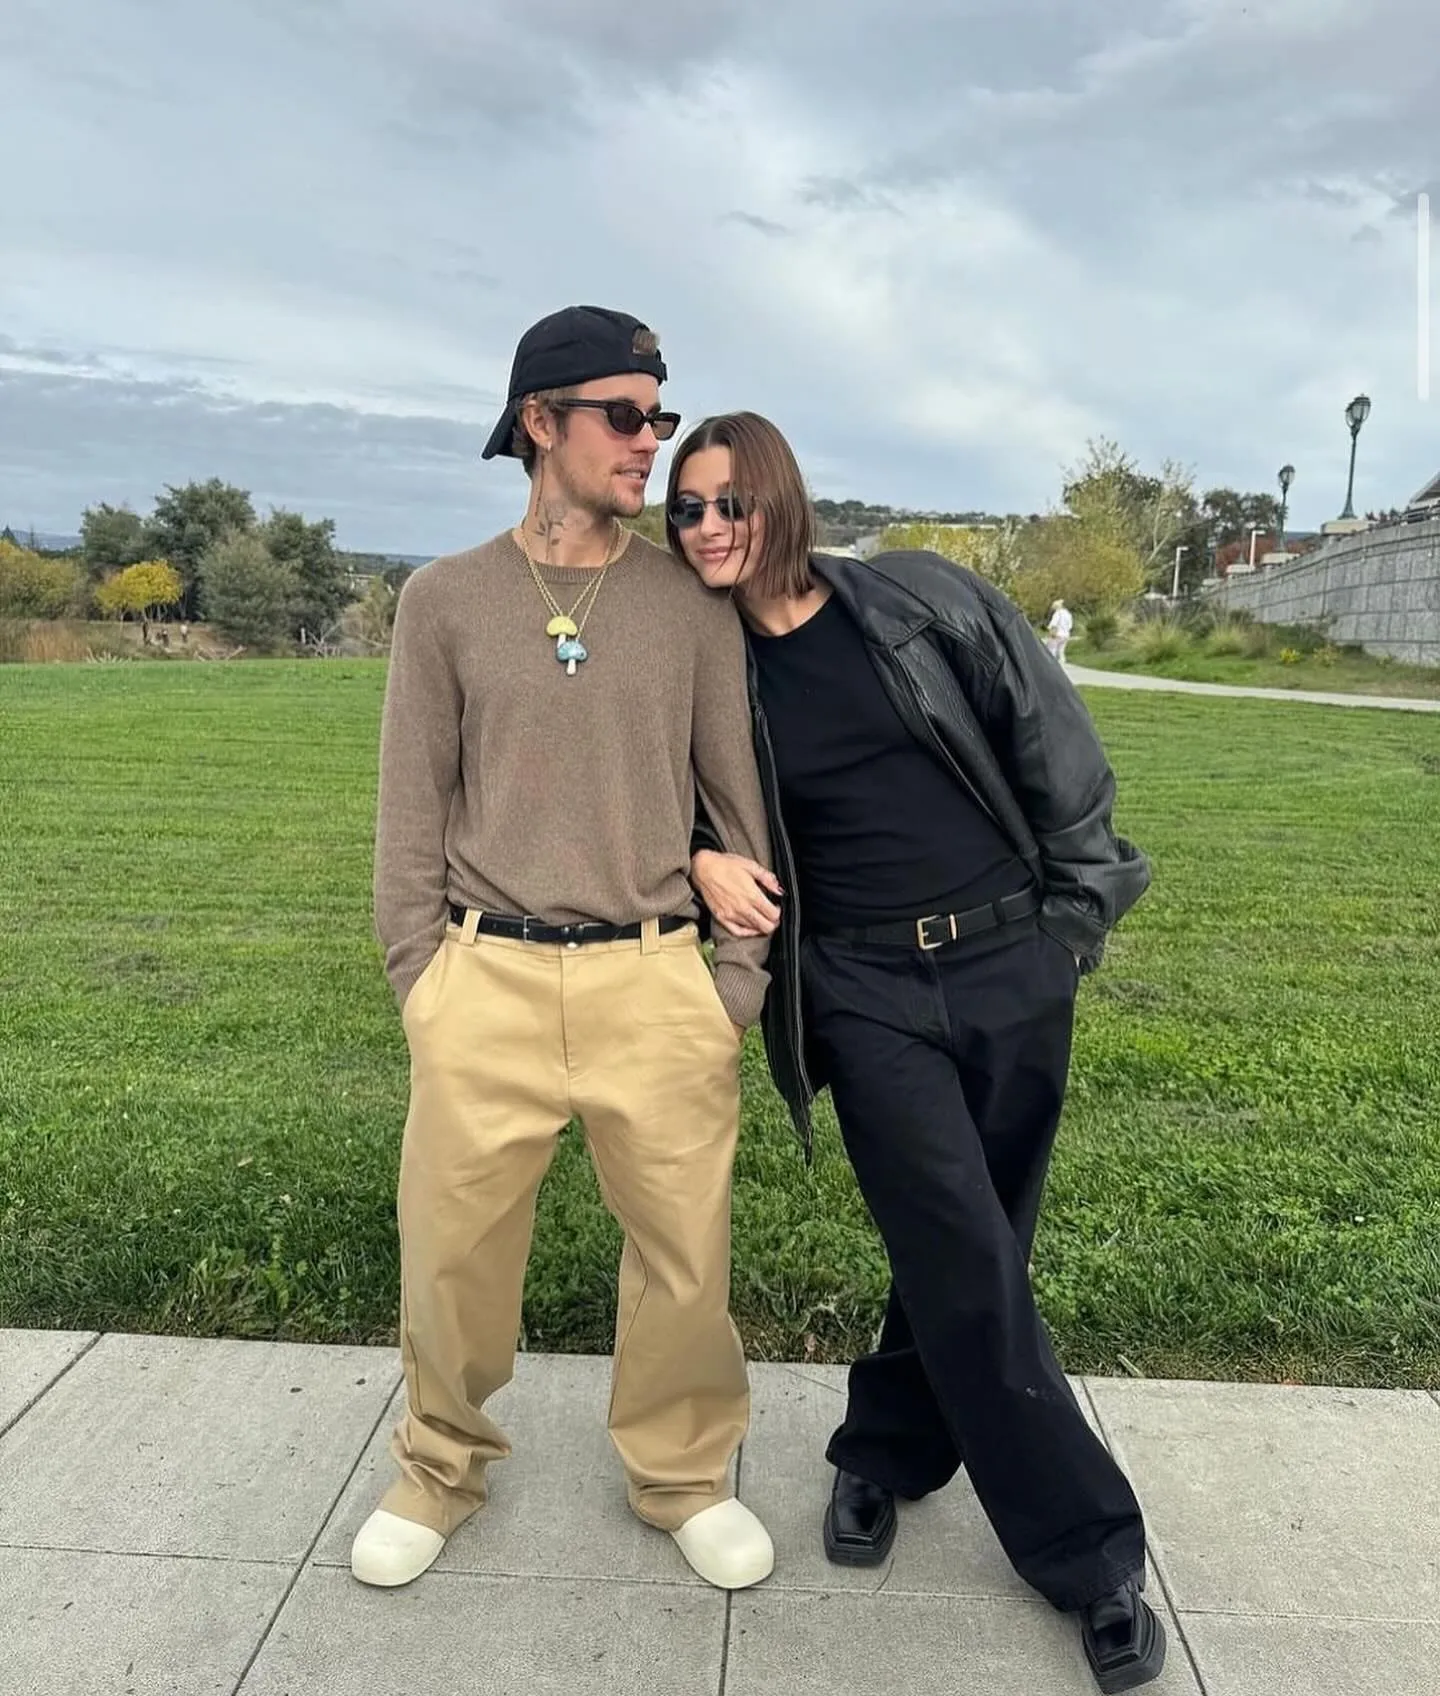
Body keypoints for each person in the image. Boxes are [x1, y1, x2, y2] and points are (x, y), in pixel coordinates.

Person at [672, 412, 1164, 1692]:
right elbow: (653, 799)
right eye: (688, 509)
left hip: (1012, 960)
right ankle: (1090, 1553)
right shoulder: (706, 666)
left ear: (780, 499)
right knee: (958, 1241)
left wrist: (1072, 924)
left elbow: (1052, 738)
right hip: (864, 987)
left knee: (979, 1244)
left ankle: (885, 1446)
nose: (709, 527)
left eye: (729, 501)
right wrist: (698, 857)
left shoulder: (917, 602)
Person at [353, 310, 777, 1596]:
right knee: (451, 1256)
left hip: (656, 980)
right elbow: (410, 811)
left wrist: (731, 990)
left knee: (685, 1256)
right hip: (481, 975)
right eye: (625, 415)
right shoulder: (443, 602)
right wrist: (421, 980)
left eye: (660, 415)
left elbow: (738, 806)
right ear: (539, 422)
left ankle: (684, 1475)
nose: (651, 441)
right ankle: (438, 1467)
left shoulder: (689, 604)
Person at [1046, 598, 1074, 665]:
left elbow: (1053, 624)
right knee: (1061, 650)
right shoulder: (1068, 614)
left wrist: (1050, 631)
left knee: (1052, 649)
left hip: (1057, 634)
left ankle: (1052, 664)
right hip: (1066, 635)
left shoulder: (1058, 613)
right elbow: (1070, 626)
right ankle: (1062, 662)